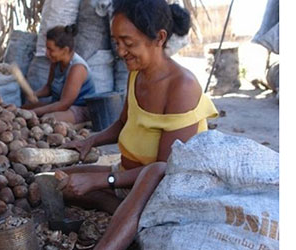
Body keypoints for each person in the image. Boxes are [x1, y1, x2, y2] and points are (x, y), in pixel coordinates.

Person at [57, 0, 219, 249]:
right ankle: (133, 216)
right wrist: (91, 140)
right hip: (127, 180)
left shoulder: (181, 86)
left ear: (160, 38)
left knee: (153, 172)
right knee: (61, 181)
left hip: (166, 189)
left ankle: (114, 238)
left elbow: (165, 169)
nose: (121, 51)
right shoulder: (137, 73)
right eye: (116, 42)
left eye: (128, 42)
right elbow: (124, 122)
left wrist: (101, 181)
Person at [22, 24, 96, 124]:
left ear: (65, 50)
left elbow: (64, 104)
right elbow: (48, 88)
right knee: (22, 109)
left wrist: (33, 112)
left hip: (79, 109)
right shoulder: (56, 62)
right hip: (60, 105)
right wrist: (34, 94)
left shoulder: (77, 68)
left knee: (46, 120)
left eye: (50, 50)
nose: (46, 53)